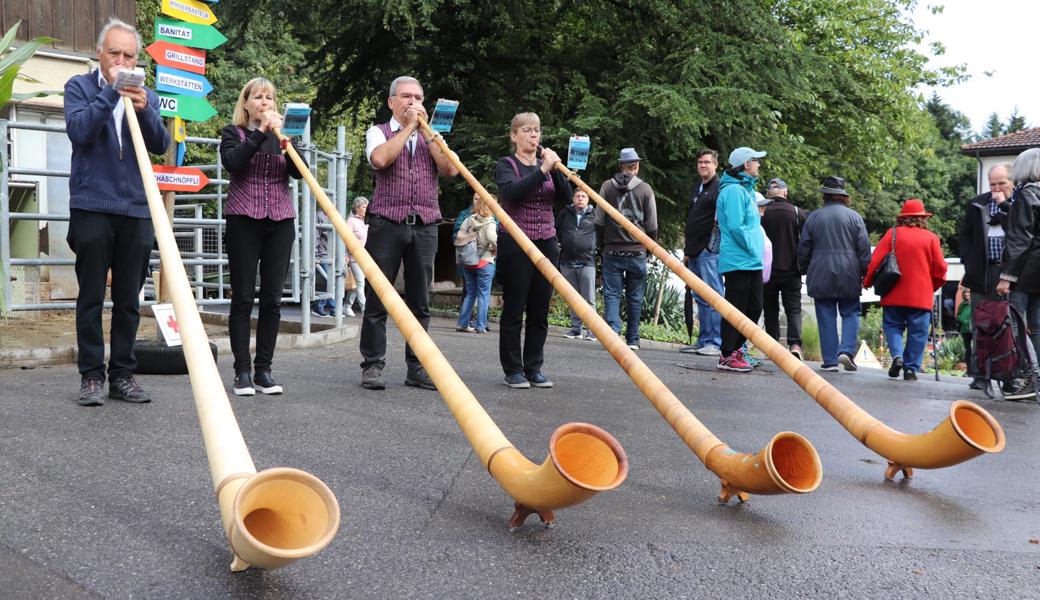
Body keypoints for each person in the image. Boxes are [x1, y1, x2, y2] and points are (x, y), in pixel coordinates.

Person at [64, 18, 170, 406]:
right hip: (91, 204)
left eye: (129, 55)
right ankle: (91, 376)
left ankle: (123, 374)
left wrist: (145, 111)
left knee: (129, 297)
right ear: (99, 53)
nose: (122, 62)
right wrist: (111, 92)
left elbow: (161, 145)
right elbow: (80, 131)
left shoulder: (149, 95)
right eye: (115, 54)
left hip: (138, 208)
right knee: (91, 295)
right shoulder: (79, 87)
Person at [360, 76, 459, 390]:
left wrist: (428, 134)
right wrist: (409, 129)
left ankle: (417, 367)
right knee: (378, 299)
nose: (413, 102)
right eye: (406, 96)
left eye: (418, 97)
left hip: (426, 224)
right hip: (386, 223)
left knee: (420, 303)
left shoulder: (433, 135)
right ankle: (372, 366)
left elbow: (451, 169)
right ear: (392, 102)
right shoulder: (378, 131)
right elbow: (380, 159)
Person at [220, 77, 307, 396]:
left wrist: (287, 140)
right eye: (258, 97)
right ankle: (241, 372)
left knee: (272, 299)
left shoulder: (284, 137)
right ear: (245, 104)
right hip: (243, 219)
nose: (264, 103)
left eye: (269, 98)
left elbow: (301, 173)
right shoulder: (235, 133)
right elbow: (233, 162)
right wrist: (260, 133)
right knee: (243, 296)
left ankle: (264, 371)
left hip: (281, 221)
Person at [494, 112, 571, 389]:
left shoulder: (547, 165)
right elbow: (512, 193)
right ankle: (513, 369)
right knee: (515, 308)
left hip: (547, 240)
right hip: (516, 242)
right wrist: (542, 171)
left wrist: (558, 169)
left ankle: (534, 367)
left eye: (536, 130)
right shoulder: (506, 165)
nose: (533, 135)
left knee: (540, 309)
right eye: (526, 130)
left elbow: (567, 198)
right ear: (514, 136)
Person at [863, 199, 947, 381]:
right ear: (922, 218)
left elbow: (875, 261)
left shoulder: (892, 234)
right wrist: (932, 286)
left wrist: (867, 282)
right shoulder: (931, 238)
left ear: (903, 218)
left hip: (893, 292)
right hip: (920, 296)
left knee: (893, 325)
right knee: (918, 332)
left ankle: (897, 356)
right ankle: (910, 369)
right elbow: (940, 269)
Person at [797, 176, 871, 373]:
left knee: (826, 315)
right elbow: (864, 248)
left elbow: (803, 247)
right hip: (849, 271)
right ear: (843, 196)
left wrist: (804, 268)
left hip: (820, 271)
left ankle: (830, 360)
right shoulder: (854, 217)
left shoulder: (814, 217)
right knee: (851, 312)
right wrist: (866, 271)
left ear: (825, 196)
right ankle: (846, 350)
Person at [596, 148, 658, 350]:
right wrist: (648, 249)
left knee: (612, 294)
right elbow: (652, 225)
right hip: (637, 251)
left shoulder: (606, 186)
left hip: (612, 250)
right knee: (635, 297)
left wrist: (601, 245)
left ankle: (613, 335)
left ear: (620, 165)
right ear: (636, 166)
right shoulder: (645, 189)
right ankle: (633, 339)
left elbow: (599, 220)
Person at [958, 163, 1013, 389]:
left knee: (1008, 325)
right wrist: (968, 263)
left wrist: (1006, 206)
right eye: (992, 184)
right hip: (981, 272)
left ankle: (1009, 376)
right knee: (979, 324)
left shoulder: (1019, 204)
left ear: (1012, 183)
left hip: (1009, 273)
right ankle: (980, 375)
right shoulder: (977, 204)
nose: (997, 188)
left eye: (1002, 183)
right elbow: (965, 236)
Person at [714, 147, 766, 372]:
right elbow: (736, 226)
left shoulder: (744, 189)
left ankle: (737, 349)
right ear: (746, 164)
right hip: (738, 259)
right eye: (756, 160)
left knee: (754, 307)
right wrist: (754, 247)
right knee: (736, 309)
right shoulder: (734, 191)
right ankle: (727, 354)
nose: (759, 164)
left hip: (750, 259)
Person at [996, 148, 1040, 397]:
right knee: (1037, 326)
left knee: (1016, 323)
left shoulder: (1027, 194)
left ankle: (1033, 376)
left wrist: (1006, 276)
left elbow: (1020, 239)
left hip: (1026, 271)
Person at [681, 149, 724, 355]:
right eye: (700, 162)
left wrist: (711, 245)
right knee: (700, 297)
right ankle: (704, 339)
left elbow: (721, 220)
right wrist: (687, 251)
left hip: (709, 251)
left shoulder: (719, 188)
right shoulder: (698, 187)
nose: (703, 165)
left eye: (707, 162)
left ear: (715, 164)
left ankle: (715, 342)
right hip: (694, 250)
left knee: (713, 296)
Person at [760, 177, 806, 359]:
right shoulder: (796, 212)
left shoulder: (762, 212)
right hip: (791, 269)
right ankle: (794, 344)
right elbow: (806, 241)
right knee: (793, 308)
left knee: (770, 308)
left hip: (767, 270)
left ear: (768, 194)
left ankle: (773, 346)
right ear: (785, 192)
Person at [557, 188, 598, 340]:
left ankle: (592, 330)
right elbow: (556, 230)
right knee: (572, 297)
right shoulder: (565, 213)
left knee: (588, 298)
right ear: (573, 198)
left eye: (583, 196)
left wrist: (593, 247)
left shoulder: (594, 215)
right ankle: (575, 329)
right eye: (578, 196)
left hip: (587, 262)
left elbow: (602, 233)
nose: (580, 198)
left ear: (588, 199)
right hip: (567, 262)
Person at [455, 194, 498, 334]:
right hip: (485, 262)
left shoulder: (469, 220)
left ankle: (462, 324)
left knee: (470, 294)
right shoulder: (490, 222)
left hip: (469, 262)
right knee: (483, 295)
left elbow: (459, 237)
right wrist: (495, 248)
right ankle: (480, 326)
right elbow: (492, 238)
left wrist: (470, 237)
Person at [344, 196, 369, 317]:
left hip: (362, 256)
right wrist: (345, 254)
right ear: (357, 208)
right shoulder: (351, 221)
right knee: (360, 283)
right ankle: (365, 308)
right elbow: (345, 238)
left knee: (356, 284)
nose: (366, 209)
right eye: (364, 207)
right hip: (353, 256)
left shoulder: (364, 221)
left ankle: (347, 306)